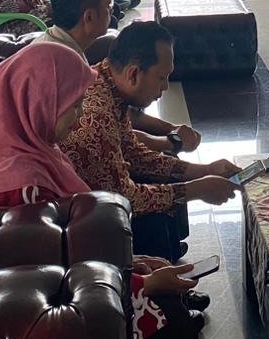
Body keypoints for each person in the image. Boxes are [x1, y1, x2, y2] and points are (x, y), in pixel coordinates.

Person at [0, 43, 206, 339]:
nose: (79, 119)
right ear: (41, 101)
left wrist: (129, 262)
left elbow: (54, 251)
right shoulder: (21, 186)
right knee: (168, 315)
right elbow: (43, 279)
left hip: (29, 282)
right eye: (74, 106)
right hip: (15, 314)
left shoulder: (11, 146)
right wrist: (141, 284)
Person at [60, 21, 241, 263]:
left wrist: (207, 170)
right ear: (134, 73)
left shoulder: (106, 84)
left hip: (104, 194)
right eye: (161, 78)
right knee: (154, 223)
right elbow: (124, 199)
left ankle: (169, 258)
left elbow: (135, 155)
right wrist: (198, 189)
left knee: (168, 174)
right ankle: (162, 275)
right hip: (85, 217)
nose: (165, 87)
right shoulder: (97, 116)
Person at [39, 0, 204, 155]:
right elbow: (106, 134)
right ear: (89, 17)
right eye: (108, 4)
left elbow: (117, 112)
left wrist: (170, 128)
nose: (113, 9)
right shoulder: (62, 67)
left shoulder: (65, 46)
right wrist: (171, 143)